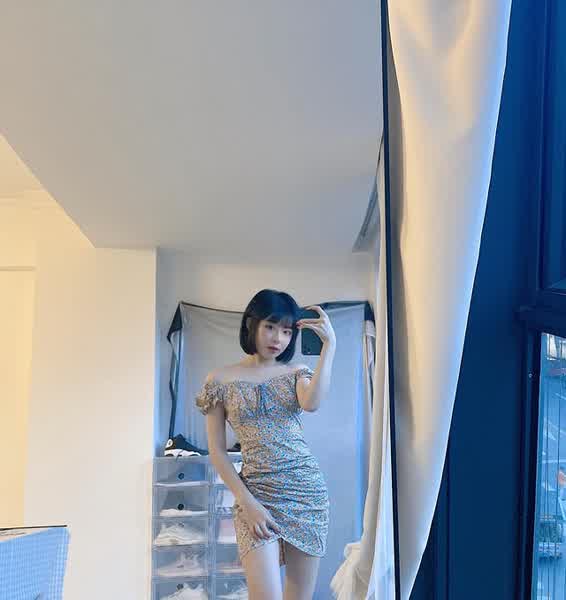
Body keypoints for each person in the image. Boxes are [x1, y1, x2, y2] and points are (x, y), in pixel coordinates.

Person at [195, 289, 336, 600]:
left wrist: (330, 346)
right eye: (270, 326)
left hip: (305, 493)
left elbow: (312, 403)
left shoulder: (296, 373)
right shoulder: (219, 380)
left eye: (286, 331)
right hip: (255, 492)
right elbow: (217, 451)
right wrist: (248, 503)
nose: (278, 338)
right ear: (251, 324)